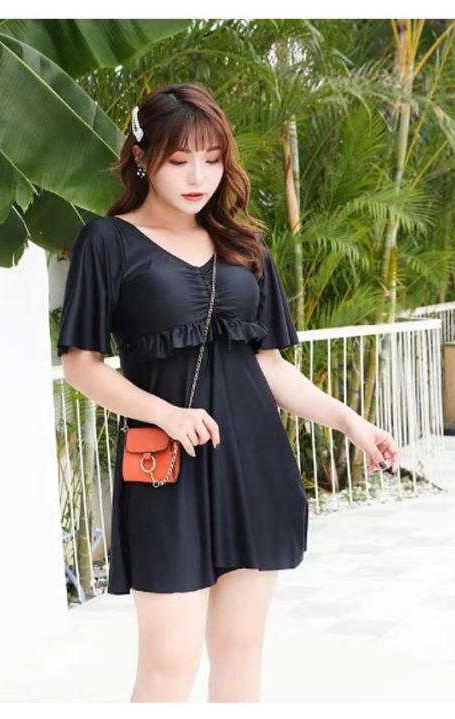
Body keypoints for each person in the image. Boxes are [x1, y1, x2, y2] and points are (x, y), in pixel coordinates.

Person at [56, 82, 400, 703]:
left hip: (253, 465)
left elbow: (270, 366)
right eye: (180, 160)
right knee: (168, 666)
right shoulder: (107, 242)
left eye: (212, 159)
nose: (199, 177)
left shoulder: (246, 246)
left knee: (240, 656)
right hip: (167, 472)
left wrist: (351, 422)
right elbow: (81, 365)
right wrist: (166, 414)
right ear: (143, 158)